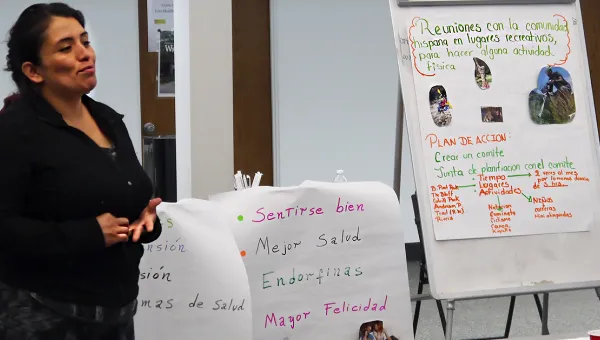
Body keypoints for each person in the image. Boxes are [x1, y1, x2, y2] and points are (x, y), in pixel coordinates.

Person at [0, 3, 162, 339]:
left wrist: (144, 222)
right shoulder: (15, 132)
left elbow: (118, 201)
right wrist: (88, 234)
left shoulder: (108, 120)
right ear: (34, 71)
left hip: (115, 313)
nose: (84, 54)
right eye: (66, 47)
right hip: (44, 315)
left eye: (85, 42)